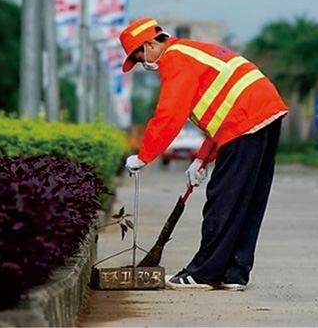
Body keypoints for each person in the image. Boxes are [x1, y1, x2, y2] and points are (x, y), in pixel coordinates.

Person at [120, 17, 288, 291]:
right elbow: (221, 110)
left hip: (245, 118)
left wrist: (144, 156)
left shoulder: (175, 60)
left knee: (223, 198)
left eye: (140, 58)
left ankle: (203, 273)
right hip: (264, 112)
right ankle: (234, 272)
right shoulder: (191, 52)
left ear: (150, 44)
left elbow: (169, 114)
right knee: (249, 198)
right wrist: (201, 158)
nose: (144, 65)